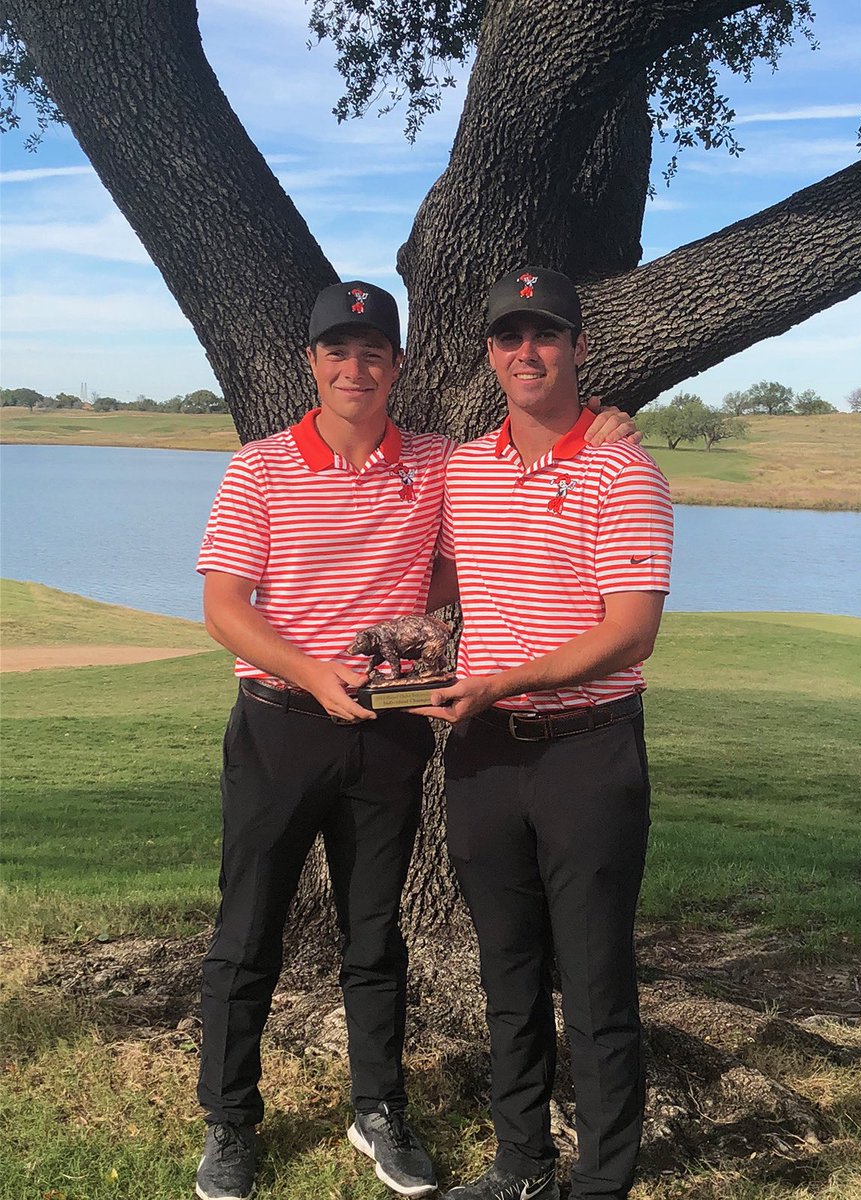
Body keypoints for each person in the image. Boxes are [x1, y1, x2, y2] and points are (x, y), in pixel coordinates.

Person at [193, 278, 639, 1200]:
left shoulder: (438, 462)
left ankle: (378, 1110)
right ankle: (230, 1123)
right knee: (247, 932)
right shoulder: (259, 468)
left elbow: (473, 544)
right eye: (337, 351)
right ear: (311, 363)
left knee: (374, 931)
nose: (355, 368)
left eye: (372, 353)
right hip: (280, 727)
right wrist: (315, 673)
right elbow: (223, 608)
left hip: (389, 737)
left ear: (397, 365)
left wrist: (607, 419)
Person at [418, 268, 674, 1200]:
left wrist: (501, 681)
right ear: (491, 353)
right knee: (508, 969)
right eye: (510, 338)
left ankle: (603, 1182)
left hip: (587, 752)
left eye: (547, 336)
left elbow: (630, 630)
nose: (528, 353)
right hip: (485, 756)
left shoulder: (625, 466)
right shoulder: (463, 469)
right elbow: (431, 578)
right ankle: (520, 1165)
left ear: (577, 348)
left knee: (598, 977)